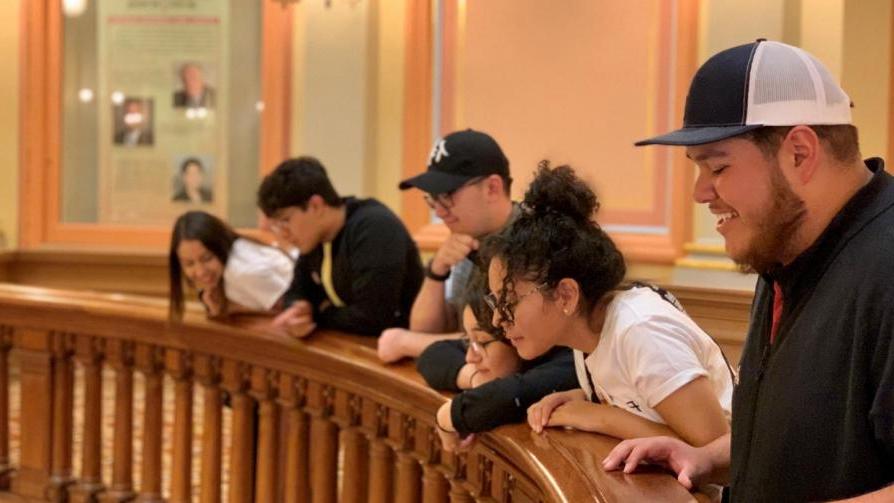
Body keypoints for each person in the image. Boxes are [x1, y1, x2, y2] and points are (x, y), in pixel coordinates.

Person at [602, 40, 894, 502]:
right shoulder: (783, 246)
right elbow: (808, 435)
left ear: (799, 153)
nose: (701, 192)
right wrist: (712, 458)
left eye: (717, 166)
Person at [485, 162, 734, 449]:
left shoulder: (641, 329)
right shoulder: (588, 331)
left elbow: (718, 451)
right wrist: (579, 398)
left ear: (566, 295)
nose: (496, 319)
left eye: (508, 302)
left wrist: (600, 417)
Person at [378, 129, 516, 362]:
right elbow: (428, 331)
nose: (440, 212)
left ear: (492, 187)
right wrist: (437, 270)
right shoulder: (470, 236)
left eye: (447, 196)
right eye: (433, 199)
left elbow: (501, 347)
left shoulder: (530, 242)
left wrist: (405, 343)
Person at [257, 156, 424, 337]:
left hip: (402, 348)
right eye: (276, 226)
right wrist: (298, 308)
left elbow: (371, 318)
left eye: (285, 221)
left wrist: (316, 314)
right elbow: (297, 291)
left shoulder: (374, 227)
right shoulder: (313, 239)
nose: (283, 233)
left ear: (315, 206)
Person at [417, 272, 578, 452]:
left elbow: (514, 394)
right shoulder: (500, 345)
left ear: (514, 336)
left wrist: (448, 415)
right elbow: (432, 355)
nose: (470, 357)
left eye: (483, 342)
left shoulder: (569, 360)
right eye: (468, 341)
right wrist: (474, 378)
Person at [169, 210, 294, 320]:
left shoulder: (241, 271)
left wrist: (230, 309)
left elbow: (293, 312)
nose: (200, 271)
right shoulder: (234, 254)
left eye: (207, 258)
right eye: (189, 264)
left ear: (221, 246)